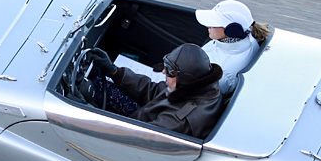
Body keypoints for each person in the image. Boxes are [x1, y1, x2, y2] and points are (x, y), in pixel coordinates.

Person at [85, 44, 224, 139]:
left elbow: (137, 137)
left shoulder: (179, 121)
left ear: (185, 78)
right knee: (98, 79)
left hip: (138, 135)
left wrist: (90, 115)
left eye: (169, 71)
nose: (164, 72)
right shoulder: (199, 87)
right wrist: (115, 72)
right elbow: (154, 91)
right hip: (145, 117)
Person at [194, 0, 271, 95]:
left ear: (232, 31)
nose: (207, 25)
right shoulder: (234, 40)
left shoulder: (223, 75)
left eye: (213, 23)